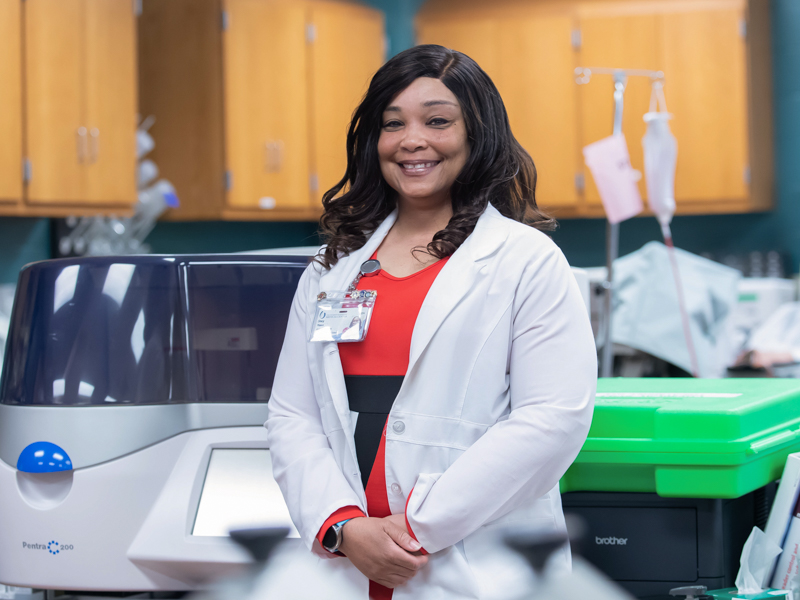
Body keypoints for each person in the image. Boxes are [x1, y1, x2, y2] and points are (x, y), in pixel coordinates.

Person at [266, 44, 597, 599]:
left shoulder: (525, 261)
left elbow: (552, 420)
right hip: (346, 562)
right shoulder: (333, 271)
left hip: (470, 563)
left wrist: (412, 533)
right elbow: (292, 416)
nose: (411, 141)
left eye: (437, 121)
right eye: (392, 124)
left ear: (477, 133)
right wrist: (343, 526)